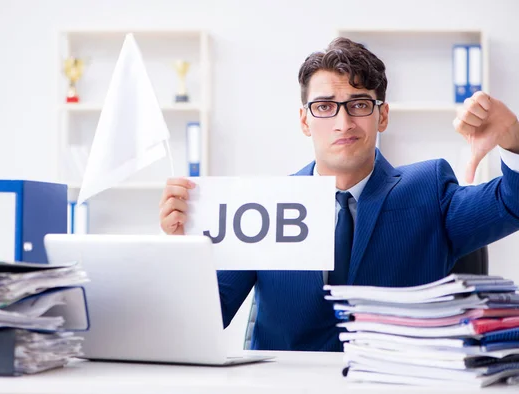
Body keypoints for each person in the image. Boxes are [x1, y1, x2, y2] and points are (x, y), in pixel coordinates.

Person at [158, 37, 519, 352]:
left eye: (359, 105)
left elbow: (511, 201)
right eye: (325, 106)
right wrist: (182, 248)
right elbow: (202, 320)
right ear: (304, 120)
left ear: (383, 116)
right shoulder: (262, 206)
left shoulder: (429, 188)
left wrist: (513, 140)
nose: (343, 123)